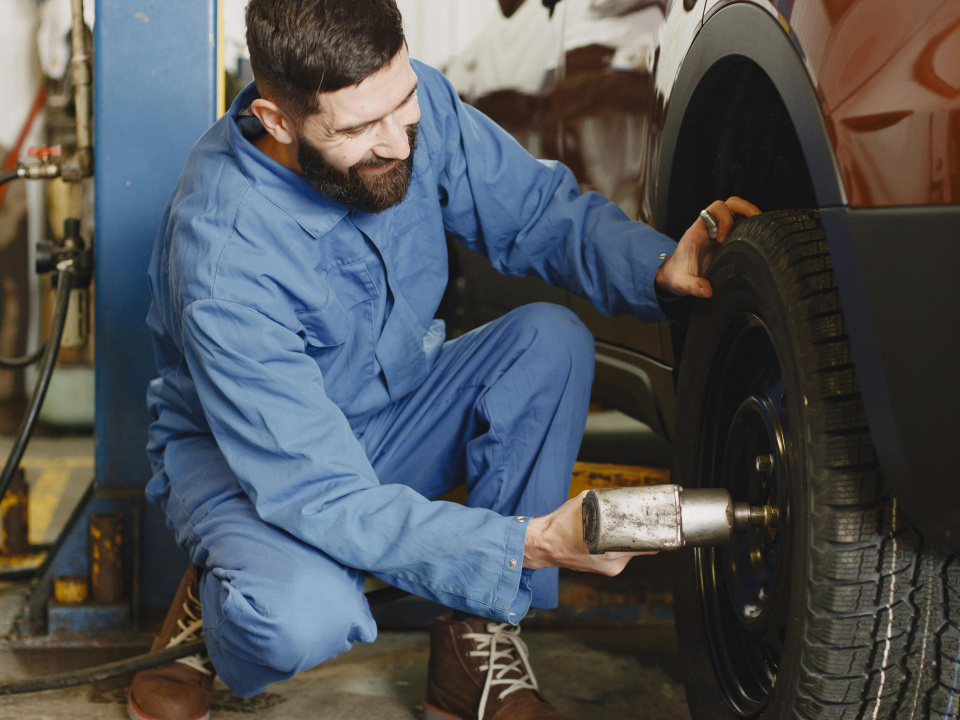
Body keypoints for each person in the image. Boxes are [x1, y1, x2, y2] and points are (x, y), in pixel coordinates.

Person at [128, 2, 760, 719]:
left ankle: (472, 646)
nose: (397, 142)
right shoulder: (224, 254)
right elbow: (322, 494)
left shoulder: (407, 104)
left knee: (548, 342)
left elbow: (534, 213)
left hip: (392, 412)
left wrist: (656, 266)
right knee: (302, 615)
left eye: (402, 104)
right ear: (277, 122)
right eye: (358, 130)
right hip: (258, 464)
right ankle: (215, 607)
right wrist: (527, 543)